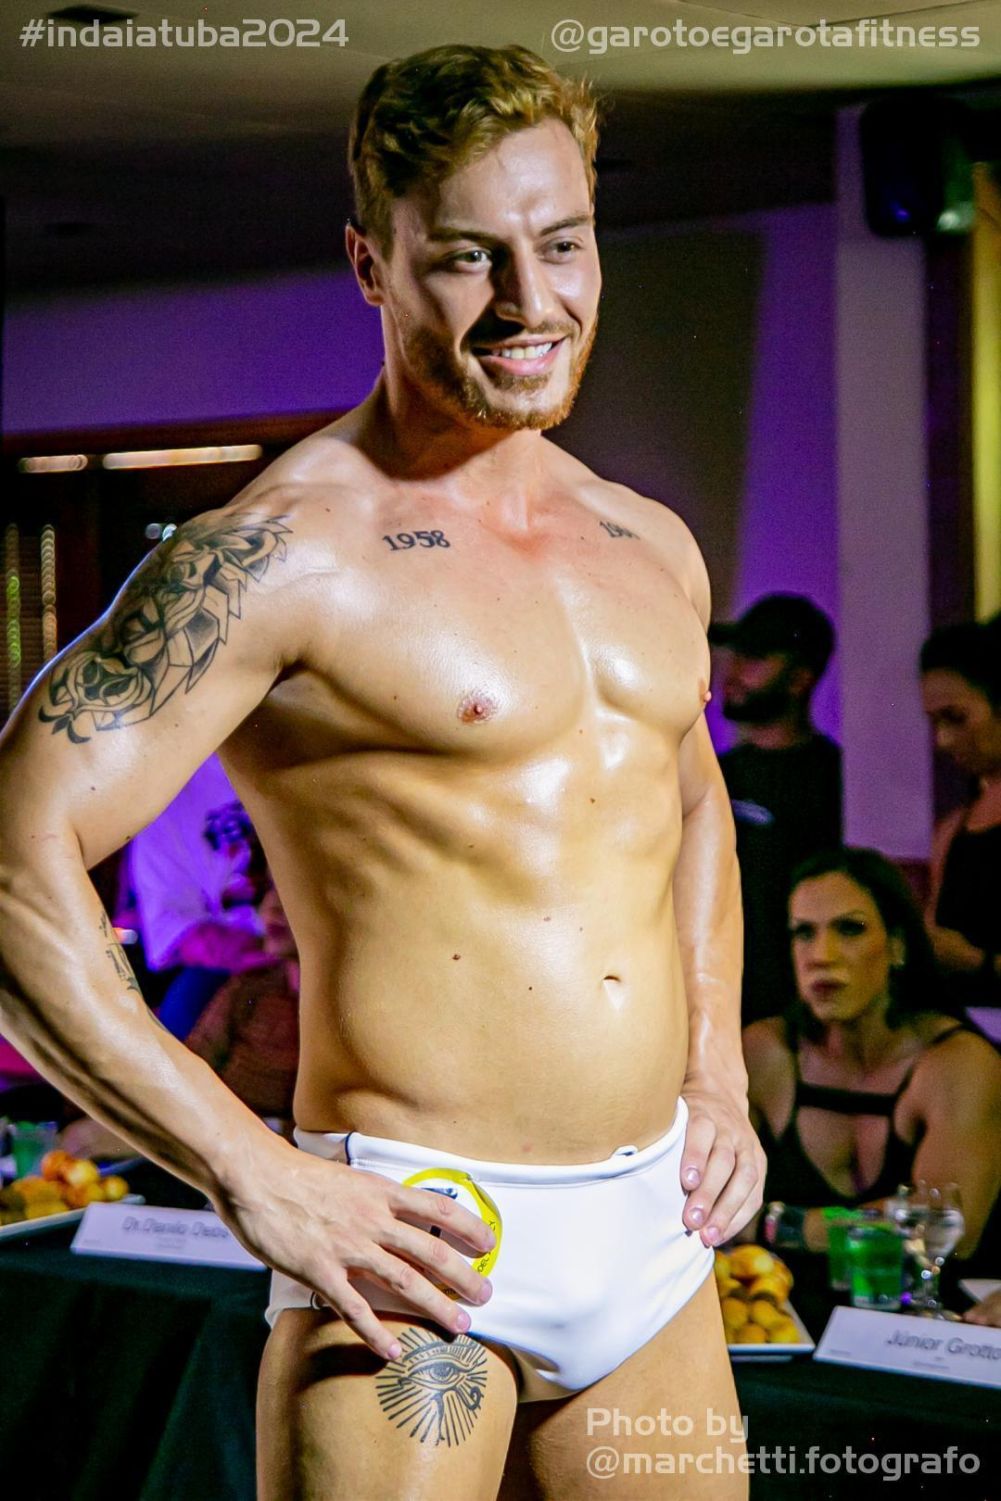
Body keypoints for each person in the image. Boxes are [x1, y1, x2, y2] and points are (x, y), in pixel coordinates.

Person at [0, 44, 762, 1500]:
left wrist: (714, 1072)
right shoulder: (276, 556)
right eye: (470, 258)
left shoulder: (649, 543)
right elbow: (9, 861)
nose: (531, 302)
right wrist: (249, 1170)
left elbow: (685, 800)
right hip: (413, 1246)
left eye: (561, 244)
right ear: (371, 264)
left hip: (650, 1239)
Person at [743, 847, 1001, 1273]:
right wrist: (882, 1220)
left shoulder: (959, 1063)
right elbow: (705, 1206)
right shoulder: (765, 1052)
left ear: (897, 946)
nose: (821, 955)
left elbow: (949, 1233)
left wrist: (780, 1224)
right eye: (804, 932)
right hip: (781, 1308)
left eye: (850, 929)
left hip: (926, 1309)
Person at [710, 594, 842, 1024]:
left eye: (754, 658)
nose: (733, 671)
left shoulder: (836, 780)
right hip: (712, 1005)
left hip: (794, 1014)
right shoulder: (712, 773)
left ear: (799, 679)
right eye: (736, 654)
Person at [126, 753, 271, 1037]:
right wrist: (270, 955)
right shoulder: (169, 797)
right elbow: (176, 931)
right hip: (244, 954)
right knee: (185, 1009)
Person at [920, 615, 1001, 1026]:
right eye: (936, 722)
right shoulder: (953, 829)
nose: (943, 740)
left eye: (956, 718)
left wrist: (975, 960)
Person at [185, 881, 300, 1131]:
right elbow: (192, 1065)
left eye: (296, 890)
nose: (274, 906)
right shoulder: (250, 986)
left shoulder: (355, 1011)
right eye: (271, 888)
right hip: (218, 1131)